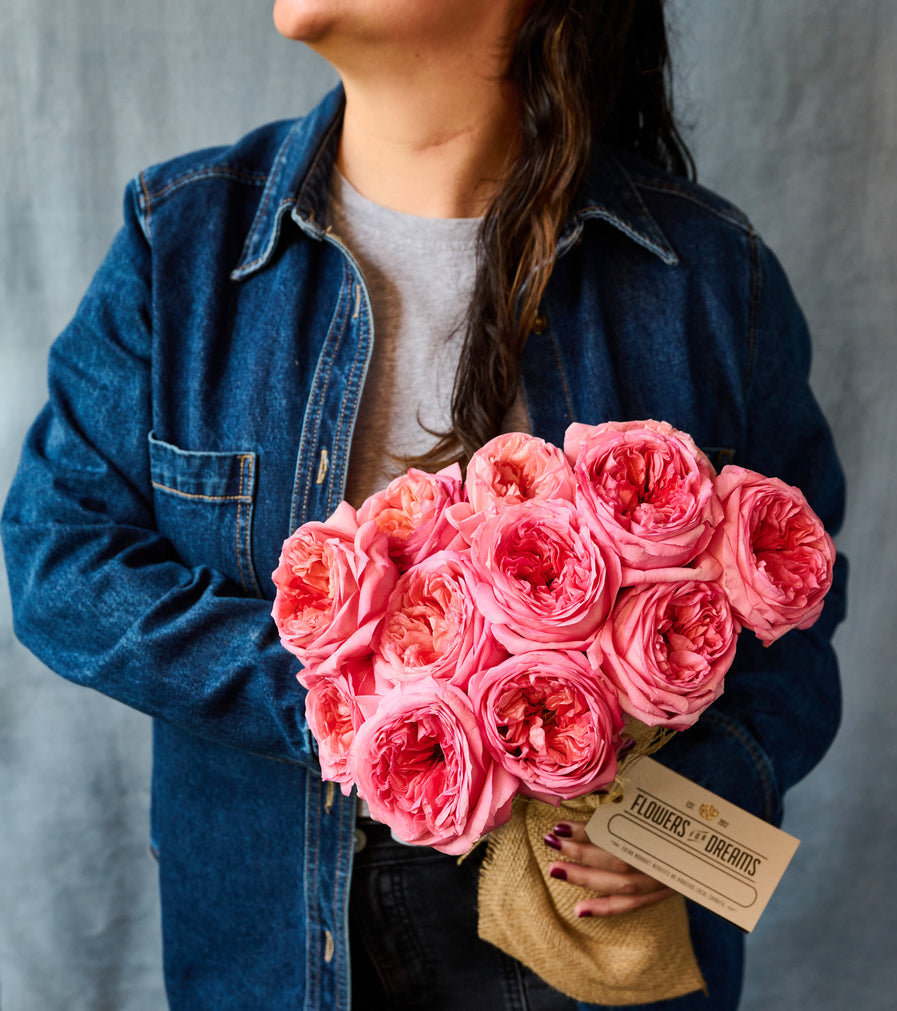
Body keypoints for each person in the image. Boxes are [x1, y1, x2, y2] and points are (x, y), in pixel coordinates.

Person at [2, 1, 846, 1008]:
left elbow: (795, 618)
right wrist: (364, 700)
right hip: (281, 946)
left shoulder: (704, 275)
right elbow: (60, 560)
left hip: (584, 935)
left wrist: (692, 809)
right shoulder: (181, 245)